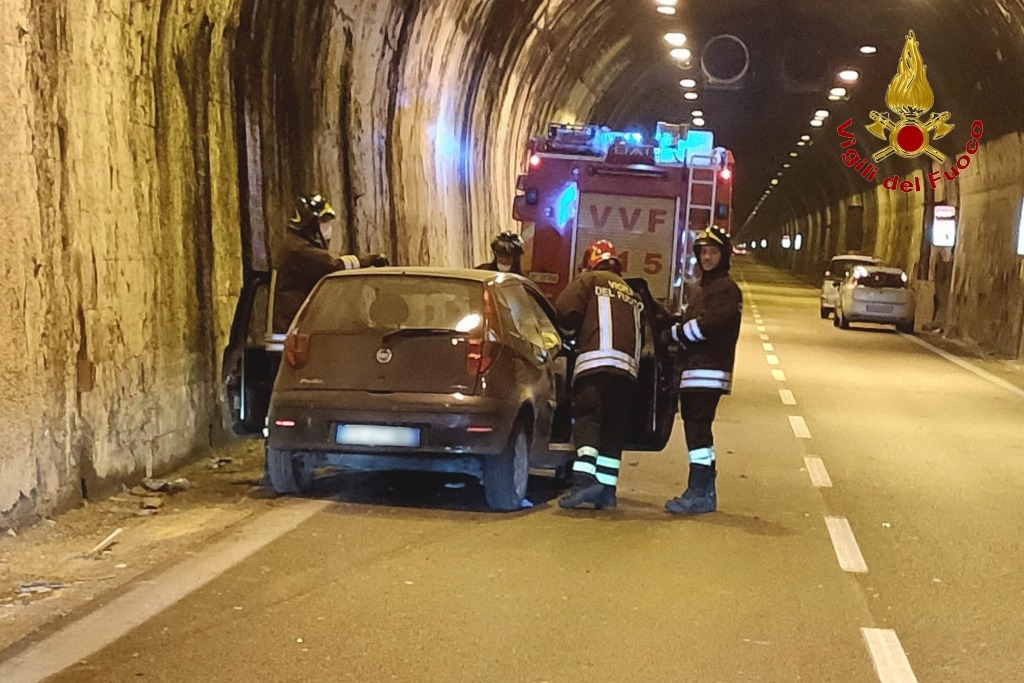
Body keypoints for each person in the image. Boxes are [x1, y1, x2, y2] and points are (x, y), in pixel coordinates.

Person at [555, 240, 642, 510]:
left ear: (591, 261)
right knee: (613, 431)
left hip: (596, 366)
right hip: (627, 374)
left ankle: (583, 482)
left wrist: (571, 333)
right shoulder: (631, 292)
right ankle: (607, 490)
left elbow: (564, 311)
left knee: (588, 421)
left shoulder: (589, 280)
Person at [663, 225, 742, 515]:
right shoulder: (705, 287)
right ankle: (703, 490)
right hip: (696, 372)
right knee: (699, 435)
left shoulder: (725, 289)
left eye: (713, 252)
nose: (707, 257)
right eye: (703, 252)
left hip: (706, 372)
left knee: (697, 434)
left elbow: (709, 326)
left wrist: (675, 333)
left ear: (724, 255)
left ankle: (699, 491)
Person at [272, 193, 389, 332]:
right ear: (310, 223)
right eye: (323, 220)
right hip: (293, 328)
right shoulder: (299, 249)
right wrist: (370, 260)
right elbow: (332, 266)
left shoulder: (296, 245)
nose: (327, 226)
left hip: (297, 325)